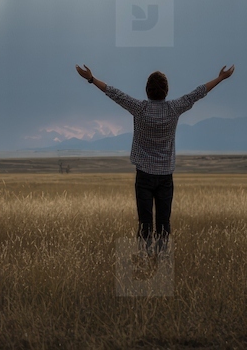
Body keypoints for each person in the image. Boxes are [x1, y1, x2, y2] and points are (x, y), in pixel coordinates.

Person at [75, 64, 235, 254]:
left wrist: (92, 79)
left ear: (147, 90)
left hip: (143, 175)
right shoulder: (174, 109)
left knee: (145, 222)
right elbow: (197, 93)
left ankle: (144, 257)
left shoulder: (140, 109)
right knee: (163, 223)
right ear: (166, 91)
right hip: (165, 176)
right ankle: (162, 260)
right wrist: (220, 78)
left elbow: (114, 94)